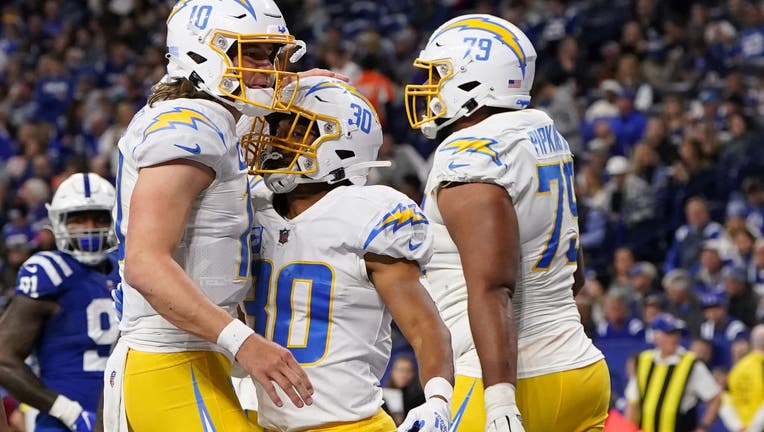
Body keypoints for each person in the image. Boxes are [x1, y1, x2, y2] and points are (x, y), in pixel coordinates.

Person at [103, 1, 318, 431]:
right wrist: (245, 343)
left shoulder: (210, 116)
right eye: (253, 54)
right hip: (169, 359)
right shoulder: (191, 125)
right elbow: (145, 264)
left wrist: (303, 87)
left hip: (193, 357)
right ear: (202, 50)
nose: (270, 69)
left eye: (274, 55)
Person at [404, 13, 609, 432]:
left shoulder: (470, 153)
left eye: (438, 74)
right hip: (581, 369)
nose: (429, 87)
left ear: (474, 78)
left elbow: (493, 286)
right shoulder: (542, 130)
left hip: (508, 381)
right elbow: (575, 275)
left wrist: (499, 401)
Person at [243, 76, 454, 432]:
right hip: (248, 417)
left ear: (342, 144)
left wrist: (437, 402)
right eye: (276, 127)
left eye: (296, 130)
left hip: (344, 423)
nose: (277, 141)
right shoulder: (249, 202)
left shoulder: (369, 214)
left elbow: (424, 327)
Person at [0, 173, 120, 432]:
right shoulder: (48, 272)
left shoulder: (127, 270)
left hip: (124, 414)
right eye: (78, 219)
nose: (89, 227)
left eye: (99, 218)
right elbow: (3, 357)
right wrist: (67, 411)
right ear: (58, 222)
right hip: (65, 423)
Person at [625, 314, 721, 432]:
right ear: (656, 336)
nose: (674, 338)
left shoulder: (691, 363)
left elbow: (715, 397)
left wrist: (703, 427)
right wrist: (630, 428)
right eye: (669, 334)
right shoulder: (644, 361)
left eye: (676, 334)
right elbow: (633, 401)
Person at [727, 324, 764, 431]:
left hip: (742, 427)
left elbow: (726, 400)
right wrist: (754, 428)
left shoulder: (737, 368)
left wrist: (737, 425)